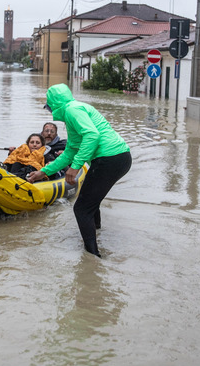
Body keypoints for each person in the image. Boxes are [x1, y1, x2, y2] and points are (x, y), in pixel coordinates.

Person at [27, 84, 131, 257]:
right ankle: (96, 232)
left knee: (81, 209)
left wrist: (75, 167)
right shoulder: (73, 112)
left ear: (54, 103)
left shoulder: (72, 110)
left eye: (49, 106)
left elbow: (92, 135)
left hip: (110, 159)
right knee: (91, 201)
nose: (49, 110)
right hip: (118, 157)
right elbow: (69, 151)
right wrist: (43, 172)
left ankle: (92, 258)